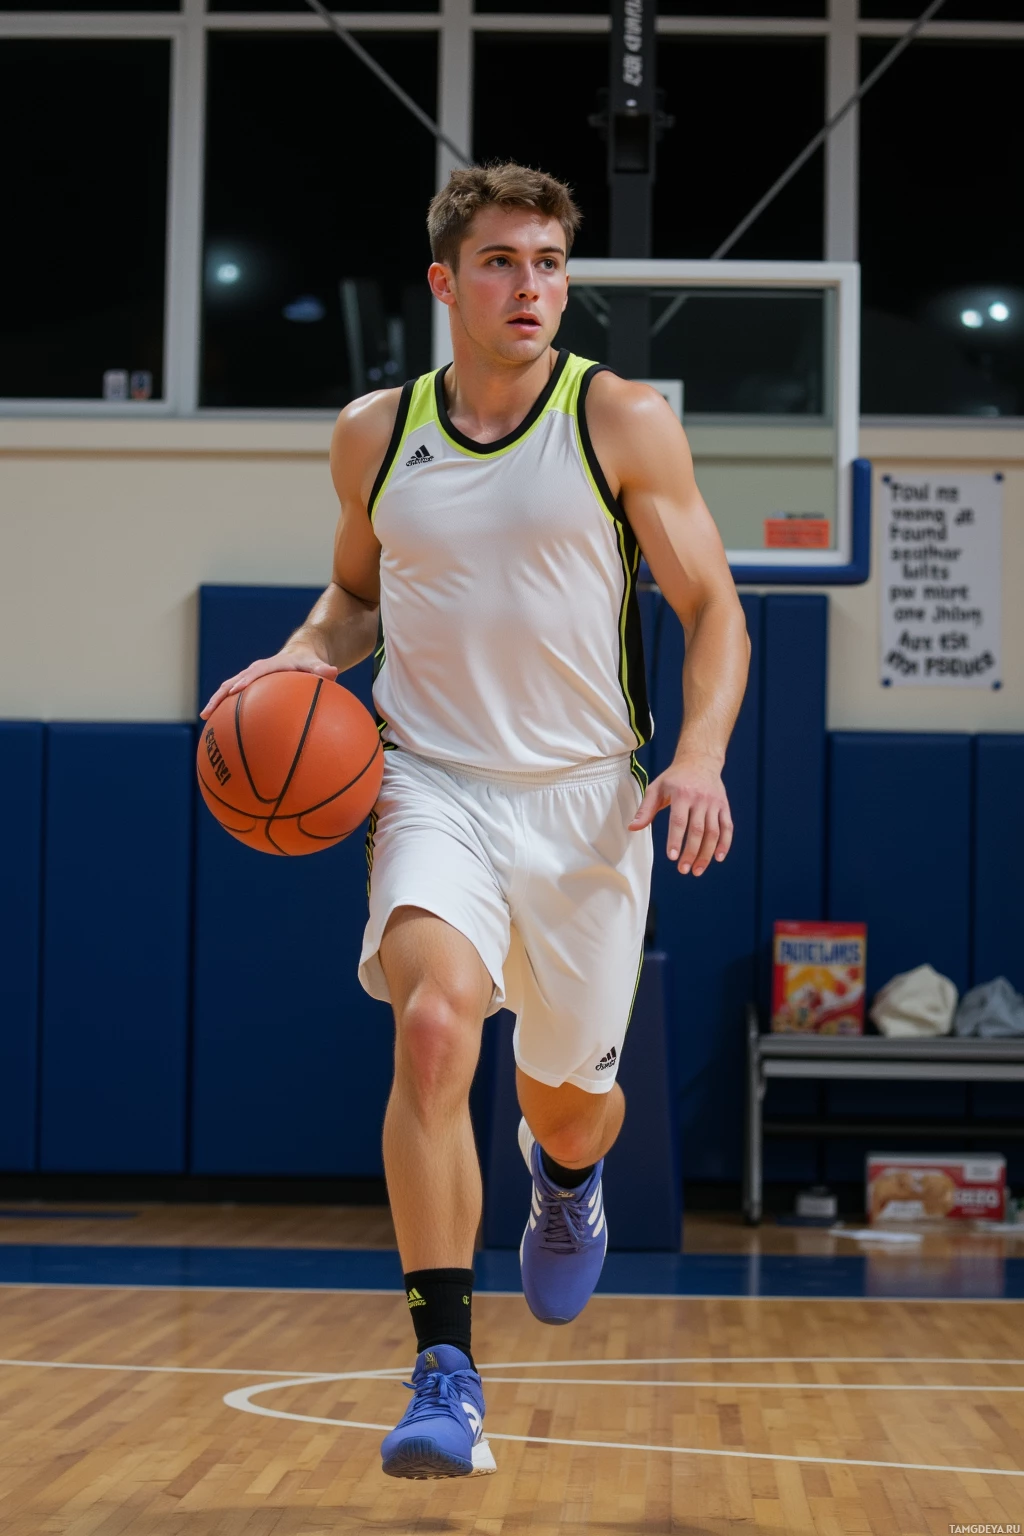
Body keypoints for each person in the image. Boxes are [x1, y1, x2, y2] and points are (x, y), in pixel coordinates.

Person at [201, 162, 750, 1480]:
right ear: (445, 282)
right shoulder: (373, 434)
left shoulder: (621, 418)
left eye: (551, 263)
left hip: (586, 807)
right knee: (437, 1023)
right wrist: (292, 663)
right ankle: (444, 1370)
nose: (533, 287)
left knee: (568, 1106)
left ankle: (564, 1180)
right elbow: (351, 601)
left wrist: (703, 758)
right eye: (503, 261)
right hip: (430, 779)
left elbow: (714, 608)